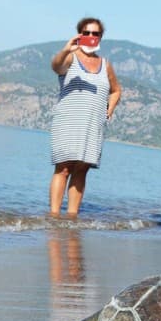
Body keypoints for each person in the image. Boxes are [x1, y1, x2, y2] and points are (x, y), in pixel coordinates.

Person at [48, 17, 122, 216]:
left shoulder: (105, 64)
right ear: (80, 34)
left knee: (81, 169)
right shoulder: (70, 58)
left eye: (95, 33)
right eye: (86, 32)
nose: (90, 36)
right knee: (63, 168)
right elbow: (56, 66)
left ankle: (72, 216)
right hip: (68, 122)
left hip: (93, 124)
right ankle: (54, 216)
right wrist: (66, 49)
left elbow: (116, 90)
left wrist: (110, 109)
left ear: (100, 37)